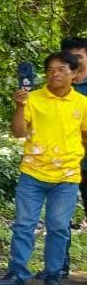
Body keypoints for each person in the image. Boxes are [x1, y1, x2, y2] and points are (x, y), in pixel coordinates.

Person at [0, 51, 87, 285]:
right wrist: (20, 106)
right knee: (24, 225)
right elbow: (18, 132)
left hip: (66, 176)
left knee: (59, 227)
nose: (55, 74)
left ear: (75, 74)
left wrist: (76, 159)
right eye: (50, 70)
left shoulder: (82, 103)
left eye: (62, 69)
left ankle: (54, 275)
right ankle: (17, 274)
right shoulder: (32, 98)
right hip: (32, 172)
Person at [60, 35, 87, 241]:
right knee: (59, 218)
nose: (75, 62)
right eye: (70, 57)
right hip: (61, 161)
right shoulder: (57, 86)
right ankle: (59, 267)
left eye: (79, 56)